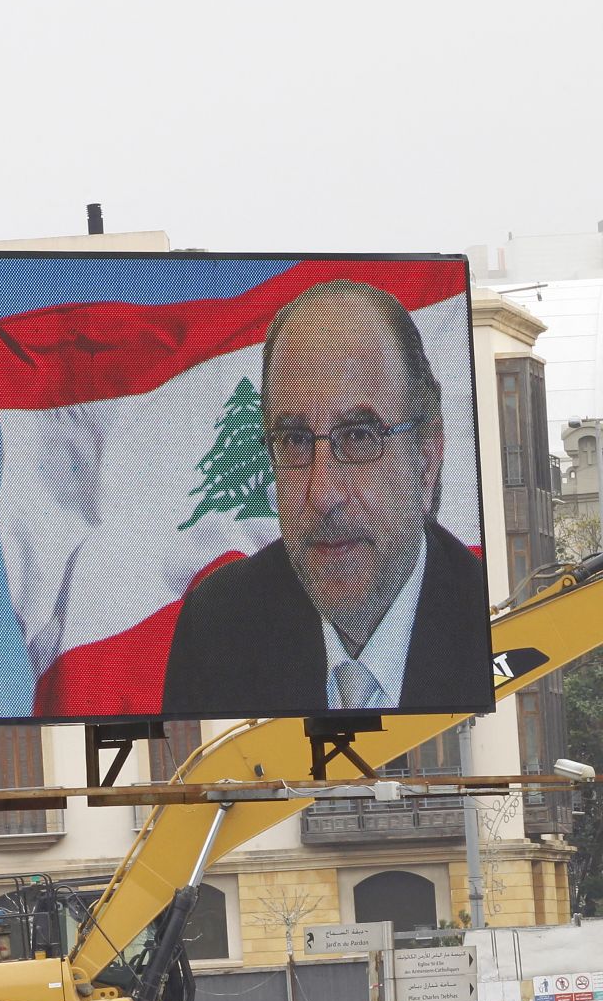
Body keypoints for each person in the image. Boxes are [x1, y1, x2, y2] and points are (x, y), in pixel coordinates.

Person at [161, 280, 489, 717]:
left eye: (358, 437)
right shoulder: (219, 626)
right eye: (295, 440)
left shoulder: (487, 626)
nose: (322, 493)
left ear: (427, 459)